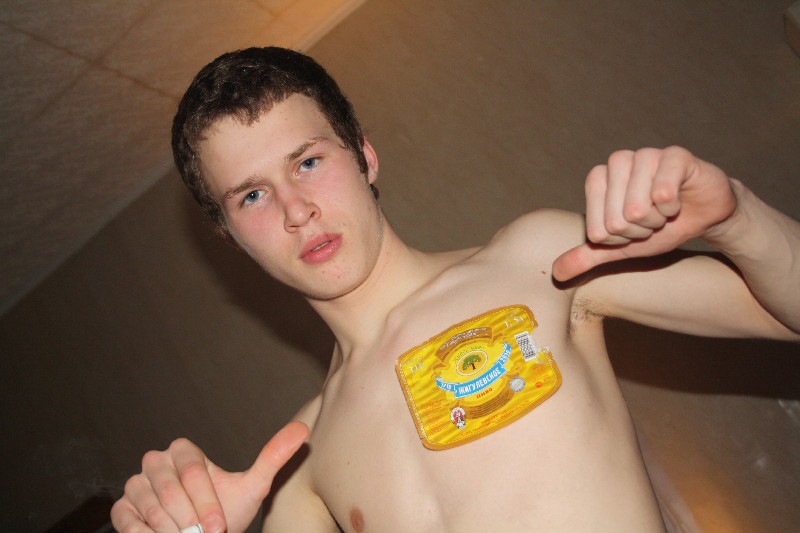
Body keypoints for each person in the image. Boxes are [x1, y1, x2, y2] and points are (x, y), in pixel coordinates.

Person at [110, 47, 799, 533]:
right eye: (253, 195)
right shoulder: (298, 467)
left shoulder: (537, 260)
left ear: (364, 155)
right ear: (230, 236)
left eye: (309, 161)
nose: (296, 210)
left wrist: (738, 218)